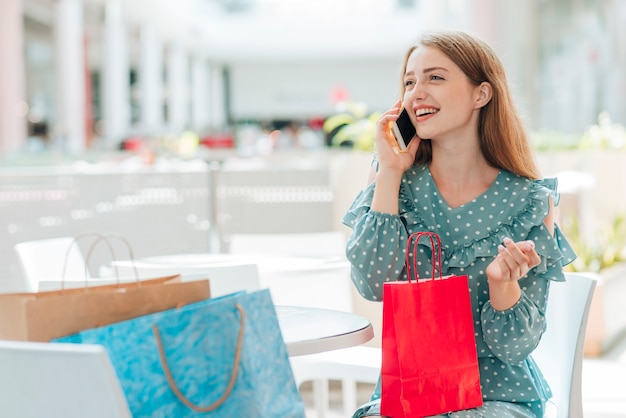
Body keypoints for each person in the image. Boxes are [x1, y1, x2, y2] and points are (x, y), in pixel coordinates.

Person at [342, 29, 576, 418]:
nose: (417, 92)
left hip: (498, 399)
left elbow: (517, 348)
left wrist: (504, 286)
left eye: (435, 77)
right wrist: (389, 172)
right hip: (411, 396)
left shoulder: (532, 202)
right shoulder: (391, 181)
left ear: (481, 94)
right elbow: (370, 283)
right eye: (409, 81)